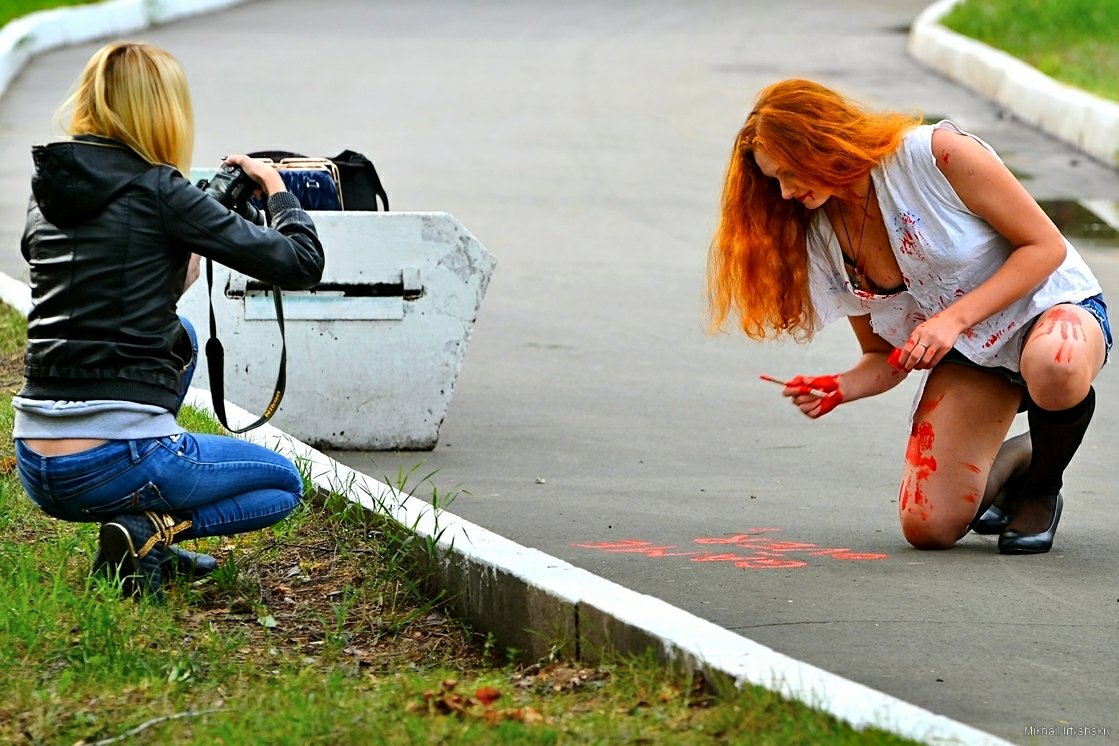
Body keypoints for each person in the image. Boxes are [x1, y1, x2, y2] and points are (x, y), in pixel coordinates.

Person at [707, 79, 1110, 555]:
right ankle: (1020, 457)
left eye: (789, 173)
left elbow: (1045, 247)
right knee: (929, 527)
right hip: (974, 354)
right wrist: (840, 387)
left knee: (1055, 363)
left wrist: (952, 321)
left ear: (823, 140)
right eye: (774, 181)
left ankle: (1041, 487)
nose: (786, 192)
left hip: (1049, 308)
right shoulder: (823, 236)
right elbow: (882, 356)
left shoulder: (934, 155)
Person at [13, 41, 325, 598]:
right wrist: (277, 190)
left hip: (35, 461)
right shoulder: (161, 190)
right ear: (163, 111)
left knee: (181, 334)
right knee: (285, 486)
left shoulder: (49, 193)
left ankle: (139, 523)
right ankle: (152, 530)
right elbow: (300, 263)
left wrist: (176, 253)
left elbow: (94, 287)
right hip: (110, 462)